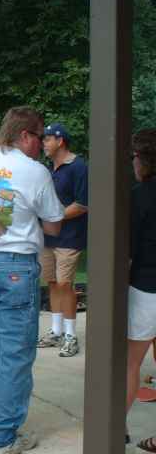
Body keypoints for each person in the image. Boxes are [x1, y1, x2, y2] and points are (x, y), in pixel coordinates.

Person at [0, 106, 64, 454]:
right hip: (15, 268)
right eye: (39, 135)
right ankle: (3, 436)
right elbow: (54, 225)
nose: (42, 143)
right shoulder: (36, 171)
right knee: (15, 353)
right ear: (24, 135)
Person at [36, 123, 88, 357]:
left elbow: (82, 204)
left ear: (60, 141)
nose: (43, 143)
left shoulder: (79, 167)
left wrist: (53, 217)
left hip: (70, 237)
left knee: (65, 284)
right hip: (48, 236)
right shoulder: (48, 168)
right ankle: (56, 331)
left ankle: (70, 336)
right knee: (52, 283)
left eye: (47, 139)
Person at [122, 129, 156, 453]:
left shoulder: (139, 195)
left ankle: (115, 426)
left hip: (146, 289)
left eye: (133, 156)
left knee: (131, 363)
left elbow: (127, 251)